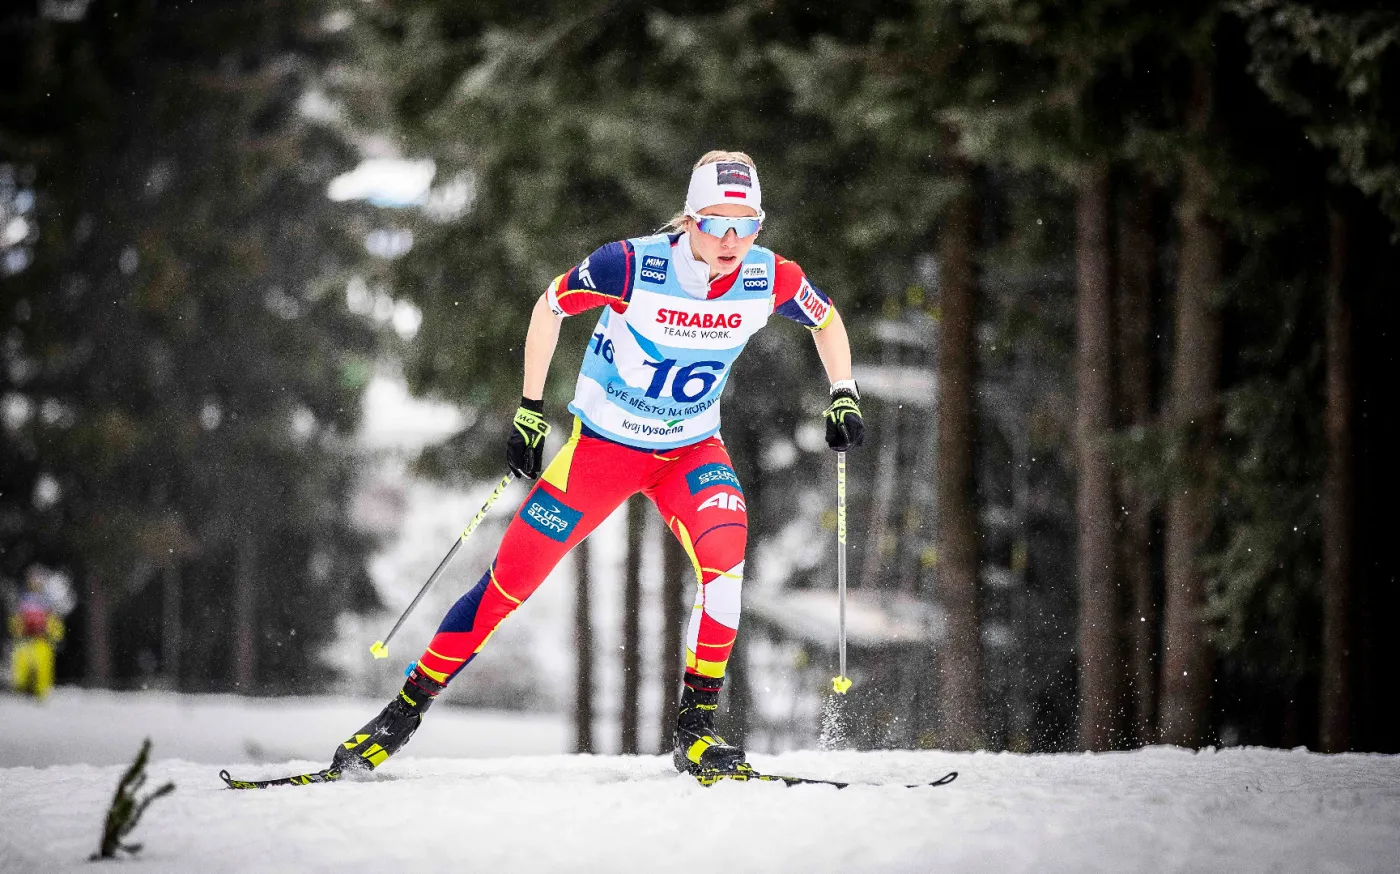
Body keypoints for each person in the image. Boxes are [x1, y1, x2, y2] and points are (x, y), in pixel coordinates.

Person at [334, 150, 864, 776]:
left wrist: (843, 392)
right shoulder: (632, 264)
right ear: (689, 220)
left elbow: (825, 319)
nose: (731, 240)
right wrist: (529, 409)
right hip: (603, 452)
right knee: (510, 582)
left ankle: (695, 731)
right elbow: (548, 307)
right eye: (717, 222)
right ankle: (400, 716)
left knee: (726, 557)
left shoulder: (768, 276)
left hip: (689, 453)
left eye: (746, 224)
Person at [9, 568, 65, 700]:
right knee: (21, 662)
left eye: (38, 580)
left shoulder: (47, 601)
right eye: (33, 580)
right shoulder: (23, 598)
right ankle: (21, 688)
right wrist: (17, 630)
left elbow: (53, 620)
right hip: (25, 638)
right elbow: (17, 618)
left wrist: (56, 635)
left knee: (43, 666)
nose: (35, 583)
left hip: (42, 639)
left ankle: (41, 692)